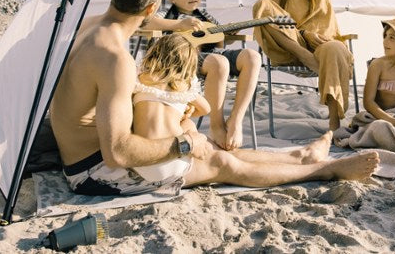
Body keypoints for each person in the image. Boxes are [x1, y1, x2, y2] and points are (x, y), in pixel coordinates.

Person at [133, 33, 380, 190]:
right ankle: (325, 170)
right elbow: (205, 108)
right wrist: (188, 110)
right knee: (229, 164)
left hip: (153, 156)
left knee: (222, 153)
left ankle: (302, 155)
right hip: (163, 164)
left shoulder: (139, 80)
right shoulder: (183, 86)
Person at [49, 0, 213, 196]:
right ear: (151, 8)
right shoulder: (115, 59)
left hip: (75, 156)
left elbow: (143, 20)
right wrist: (187, 143)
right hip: (94, 172)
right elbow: (117, 153)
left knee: (219, 156)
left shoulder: (87, 26)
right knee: (222, 163)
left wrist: (176, 25)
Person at [252, 0, 365, 131]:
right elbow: (271, 20)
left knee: (334, 48)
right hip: (292, 46)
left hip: (323, 47)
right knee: (264, 5)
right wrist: (304, 35)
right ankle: (304, 54)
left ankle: (334, 123)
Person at [153, 0, 260, 151]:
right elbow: (145, 22)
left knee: (253, 57)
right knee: (219, 62)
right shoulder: (166, 14)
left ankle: (236, 119)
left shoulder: (205, 16)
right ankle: (216, 126)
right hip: (184, 59)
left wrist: (228, 34)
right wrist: (179, 24)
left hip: (212, 55)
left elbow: (217, 40)